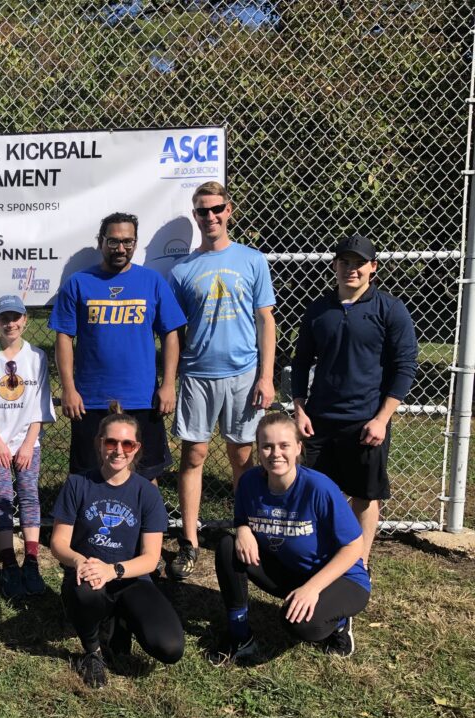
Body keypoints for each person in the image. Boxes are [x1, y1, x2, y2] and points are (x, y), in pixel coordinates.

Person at [167, 181, 277, 580]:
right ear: (195, 216)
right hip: (197, 374)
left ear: (229, 210)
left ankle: (245, 529)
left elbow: (266, 320)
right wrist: (170, 376)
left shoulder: (252, 260)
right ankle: (190, 541)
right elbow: (173, 332)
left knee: (243, 457)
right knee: (193, 455)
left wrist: (266, 376)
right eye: (202, 211)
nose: (210, 217)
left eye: (217, 209)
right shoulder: (181, 270)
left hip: (244, 375)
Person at [291, 234, 417, 568]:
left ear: (372, 267)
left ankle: (357, 565)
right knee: (317, 492)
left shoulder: (389, 309)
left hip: (365, 422)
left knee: (365, 496)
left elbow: (405, 367)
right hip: (318, 419)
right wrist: (300, 409)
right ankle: (320, 557)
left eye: (359, 263)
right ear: (335, 265)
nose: (352, 270)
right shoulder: (319, 310)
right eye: (345, 262)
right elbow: (301, 362)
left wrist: (381, 419)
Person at [209, 413, 371, 664]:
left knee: (302, 626)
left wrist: (312, 588)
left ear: (298, 448)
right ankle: (240, 634)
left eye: (284, 445)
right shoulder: (249, 481)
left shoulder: (318, 487)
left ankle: (339, 623)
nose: (276, 453)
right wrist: (242, 530)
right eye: (267, 446)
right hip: (289, 570)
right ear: (258, 450)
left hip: (340, 577)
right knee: (227, 547)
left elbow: (353, 546)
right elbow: (241, 517)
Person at [51, 403, 185, 689]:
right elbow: (59, 543)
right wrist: (79, 562)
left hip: (130, 577)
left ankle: (119, 619)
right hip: (87, 574)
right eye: (111, 441)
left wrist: (114, 570)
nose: (118, 449)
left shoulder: (147, 492)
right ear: (100, 444)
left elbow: (151, 558)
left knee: (170, 647)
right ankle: (92, 652)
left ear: (136, 448)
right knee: (87, 594)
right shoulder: (78, 483)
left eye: (127, 443)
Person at [49, 211, 186, 482]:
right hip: (90, 398)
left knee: (146, 474)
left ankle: (147, 525)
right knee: (87, 475)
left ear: (135, 243)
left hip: (142, 396)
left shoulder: (152, 281)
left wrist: (169, 384)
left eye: (128, 242)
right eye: (113, 241)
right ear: (101, 241)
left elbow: (171, 334)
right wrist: (69, 389)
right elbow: (64, 337)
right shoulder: (78, 283)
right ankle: (88, 524)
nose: (120, 248)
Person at [0, 294, 57, 599]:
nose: (11, 323)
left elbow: (40, 406)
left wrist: (29, 444)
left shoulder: (36, 357)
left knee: (30, 495)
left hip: (26, 443)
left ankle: (31, 560)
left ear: (25, 320)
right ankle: (8, 563)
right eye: (4, 318)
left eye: (16, 317)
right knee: (3, 497)